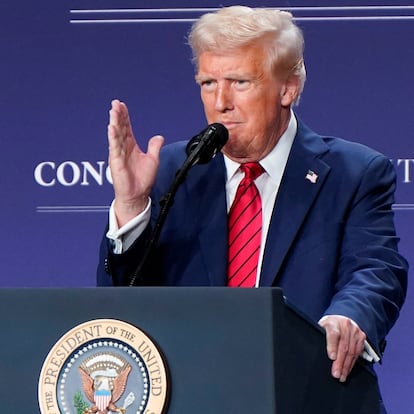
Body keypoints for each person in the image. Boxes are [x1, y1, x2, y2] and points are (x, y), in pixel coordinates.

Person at [97, 5, 407, 406]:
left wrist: (349, 318)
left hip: (312, 397)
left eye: (239, 82)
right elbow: (119, 305)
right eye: (208, 83)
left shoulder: (354, 172)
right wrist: (132, 204)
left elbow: (376, 269)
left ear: (288, 88)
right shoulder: (172, 170)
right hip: (194, 398)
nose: (220, 102)